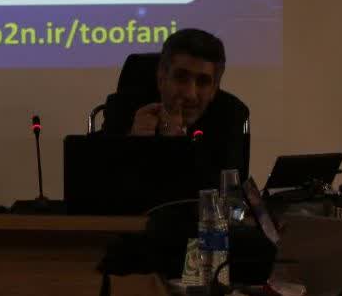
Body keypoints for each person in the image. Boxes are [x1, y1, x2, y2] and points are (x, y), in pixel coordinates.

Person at [101, 28, 249, 185]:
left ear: (214, 89)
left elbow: (224, 188)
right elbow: (101, 179)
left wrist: (175, 144)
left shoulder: (231, 114)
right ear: (161, 78)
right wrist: (132, 144)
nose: (190, 94)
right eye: (181, 78)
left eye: (203, 82)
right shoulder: (123, 107)